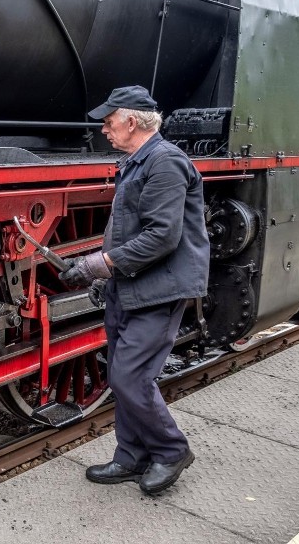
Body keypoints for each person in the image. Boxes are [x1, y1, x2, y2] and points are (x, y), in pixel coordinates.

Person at [60, 85, 210, 494]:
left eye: (108, 122)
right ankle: (131, 457)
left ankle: (170, 449)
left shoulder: (165, 163)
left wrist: (98, 265)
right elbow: (126, 230)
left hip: (160, 289)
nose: (104, 130)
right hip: (129, 285)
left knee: (130, 376)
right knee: (120, 374)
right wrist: (105, 274)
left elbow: (162, 236)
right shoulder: (136, 161)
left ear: (130, 120)